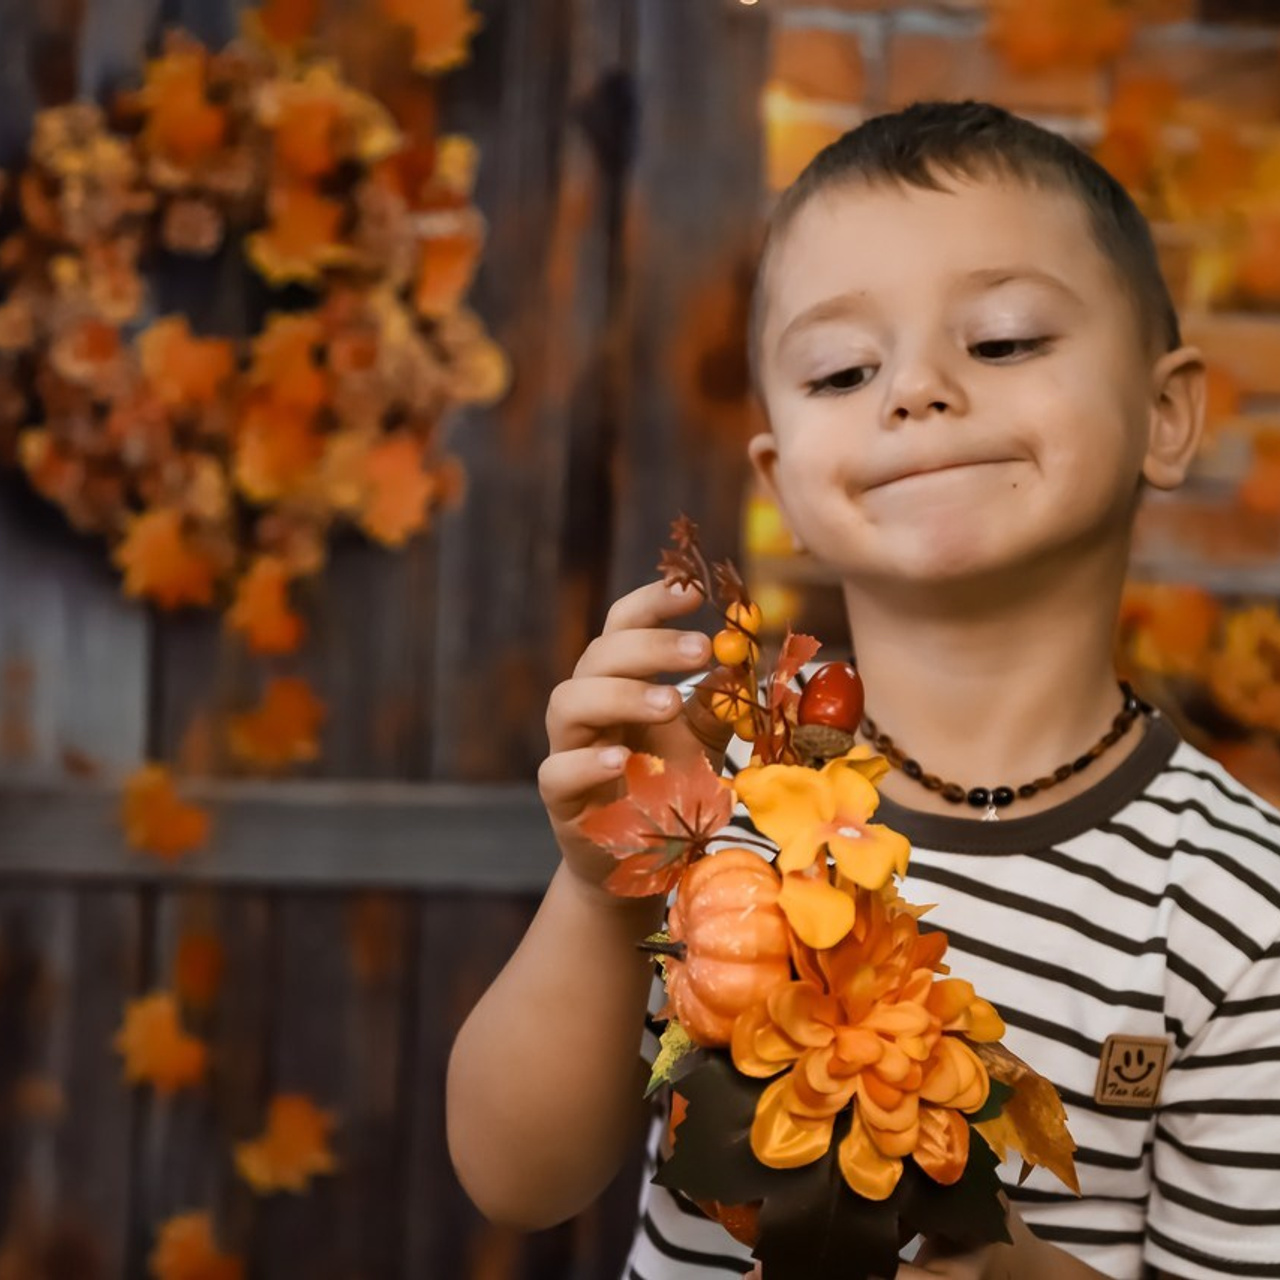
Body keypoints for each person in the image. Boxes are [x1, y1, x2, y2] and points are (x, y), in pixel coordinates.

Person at [446, 100, 1280, 1279]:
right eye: (842, 368)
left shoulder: (1240, 905)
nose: (915, 389)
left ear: (1163, 411)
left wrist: (1008, 1267)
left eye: (1000, 341)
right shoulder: (714, 803)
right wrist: (598, 893)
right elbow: (512, 1177)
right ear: (784, 483)